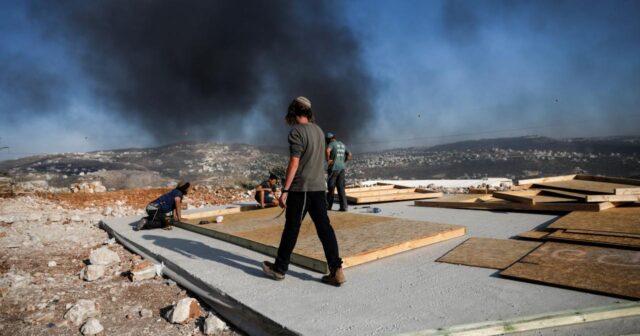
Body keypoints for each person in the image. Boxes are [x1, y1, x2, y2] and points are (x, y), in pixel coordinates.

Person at [262, 96, 346, 286]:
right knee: (325, 229)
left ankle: (280, 269)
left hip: (301, 189)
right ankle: (337, 270)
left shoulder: (296, 132)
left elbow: (294, 162)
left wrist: (285, 190)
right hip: (318, 188)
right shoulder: (319, 131)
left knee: (291, 229)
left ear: (293, 112)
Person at [325, 132, 352, 211]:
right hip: (342, 168)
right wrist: (344, 161)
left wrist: (328, 160)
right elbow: (350, 154)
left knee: (331, 187)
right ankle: (344, 207)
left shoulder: (332, 144)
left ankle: (328, 206)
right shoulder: (342, 144)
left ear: (329, 139)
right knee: (341, 188)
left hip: (334, 168)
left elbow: (327, 151)